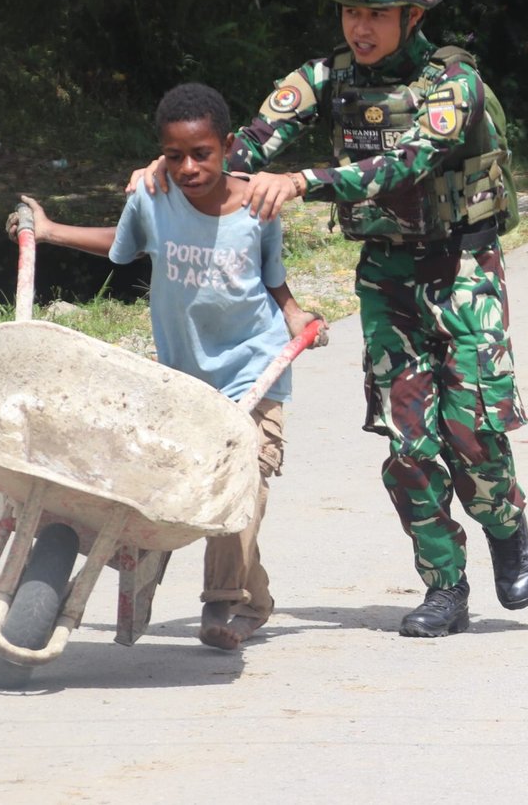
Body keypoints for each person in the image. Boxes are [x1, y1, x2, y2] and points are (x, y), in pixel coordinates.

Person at [131, 0, 528, 638]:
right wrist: (170, 171)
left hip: (462, 271)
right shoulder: (326, 75)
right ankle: (445, 586)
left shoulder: (453, 85)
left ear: (415, 14)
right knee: (409, 444)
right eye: (351, 12)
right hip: (387, 275)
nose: (361, 26)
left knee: (471, 434)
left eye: (377, 13)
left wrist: (303, 184)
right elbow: (249, 142)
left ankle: (504, 522)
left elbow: (405, 165)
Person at [16, 82, 325, 650]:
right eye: (175, 154)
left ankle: (224, 605)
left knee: (242, 483)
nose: (188, 167)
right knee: (192, 496)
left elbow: (272, 278)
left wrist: (297, 315)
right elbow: (125, 246)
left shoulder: (258, 207)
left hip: (254, 372)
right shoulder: (152, 199)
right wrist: (51, 230)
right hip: (183, 380)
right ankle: (254, 596)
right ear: (161, 152)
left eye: (201, 153)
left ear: (228, 146)